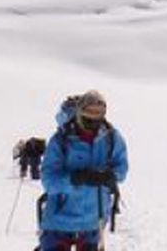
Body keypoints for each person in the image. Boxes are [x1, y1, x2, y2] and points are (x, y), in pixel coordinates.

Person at [38, 90, 128, 251]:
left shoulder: (111, 138)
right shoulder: (61, 140)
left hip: (93, 222)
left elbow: (121, 168)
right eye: (89, 112)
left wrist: (110, 176)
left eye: (98, 113)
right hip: (59, 222)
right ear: (80, 112)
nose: (93, 118)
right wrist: (74, 179)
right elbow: (48, 181)